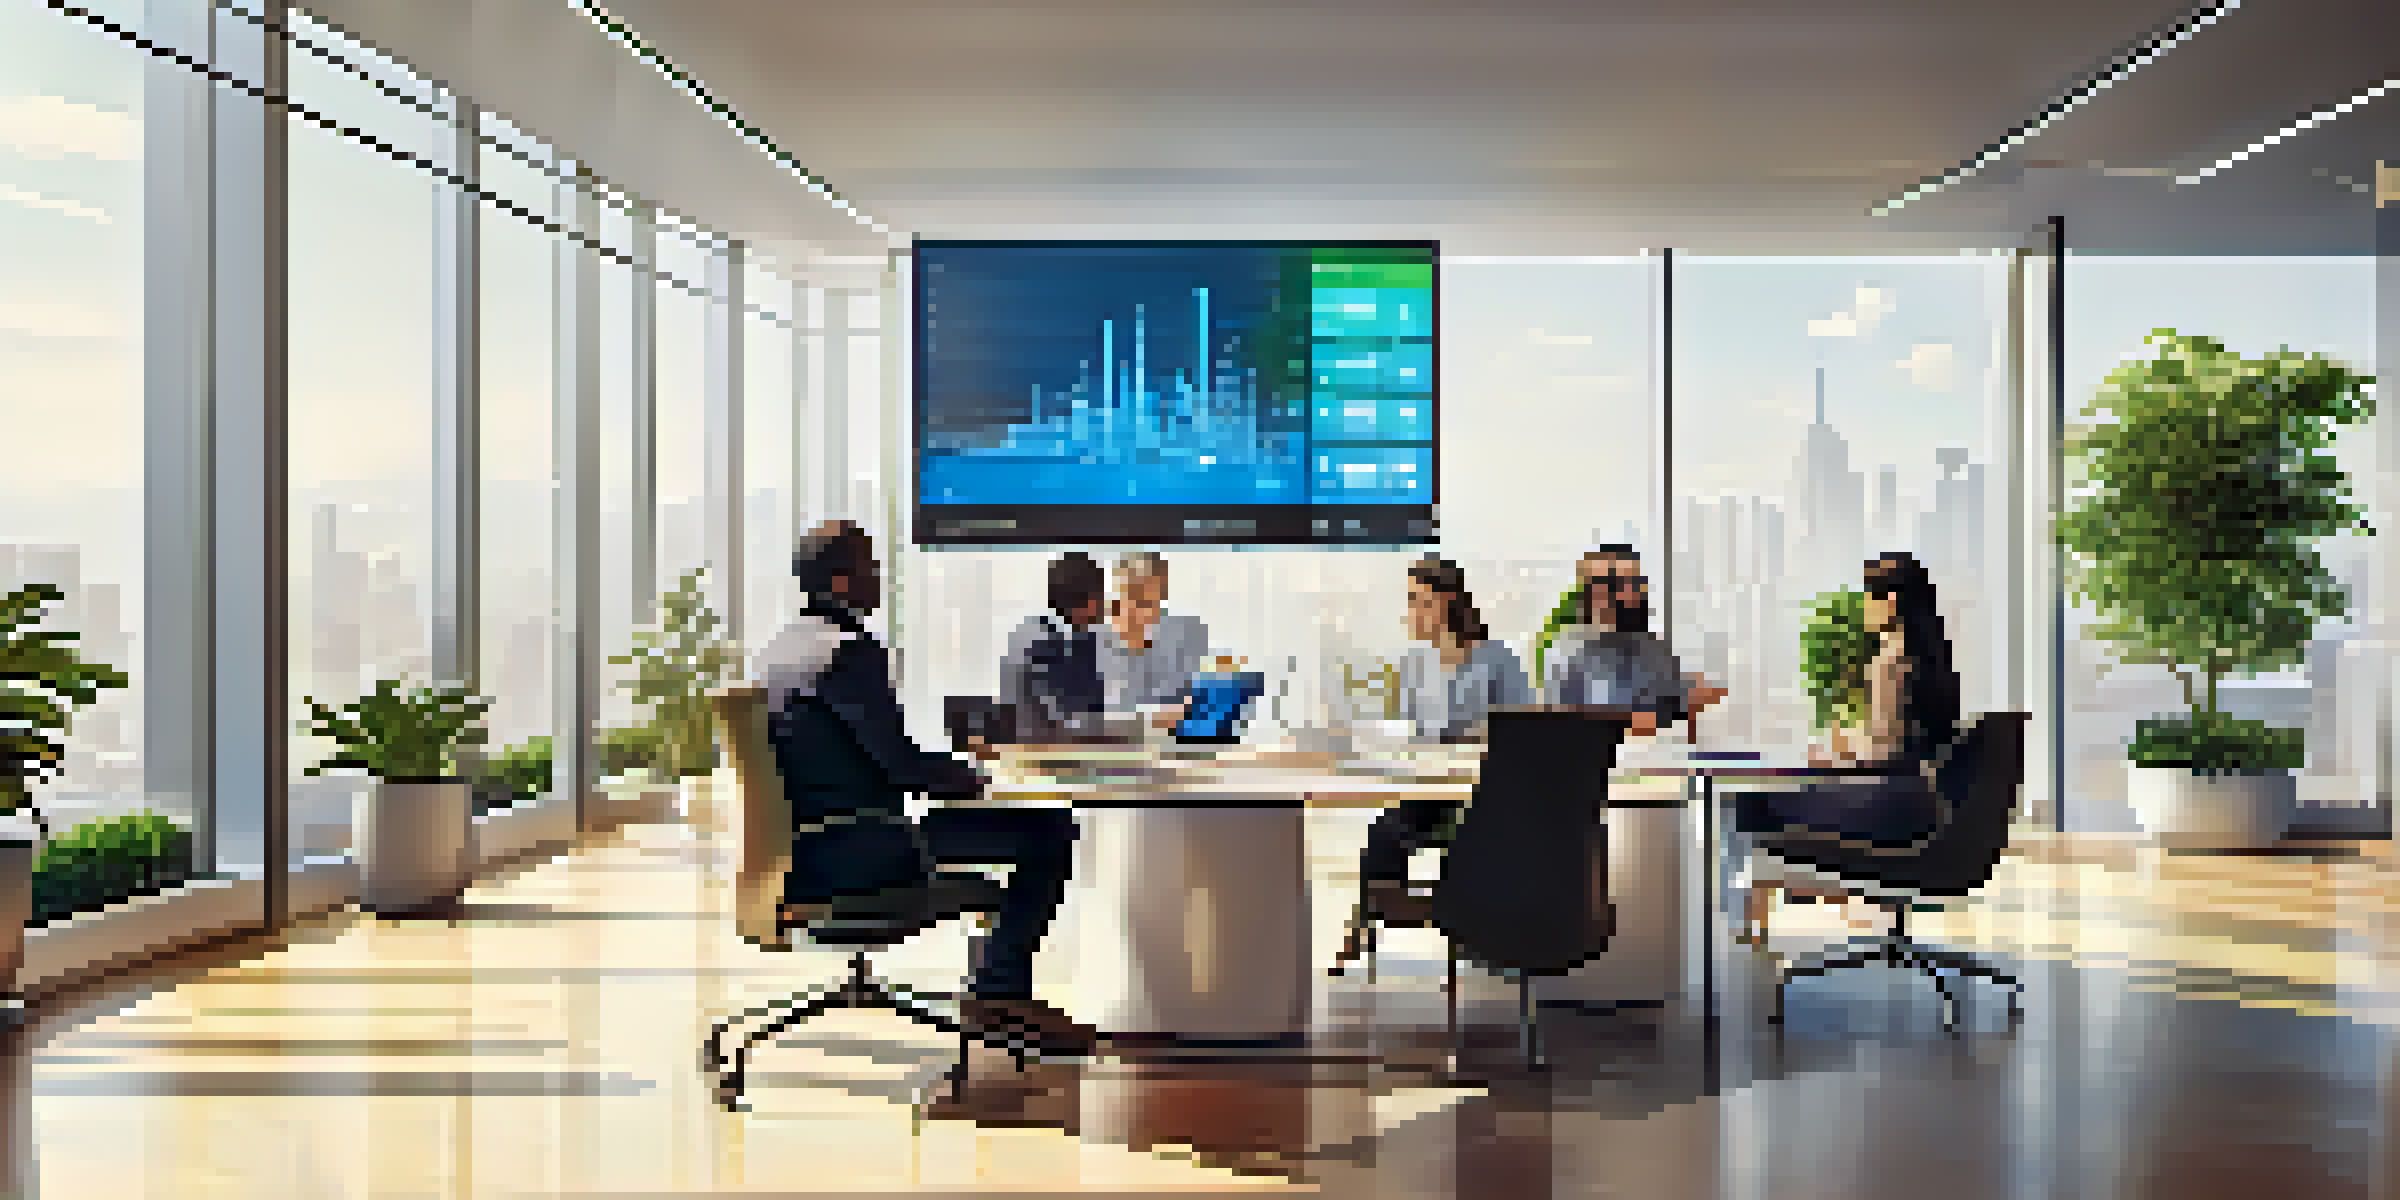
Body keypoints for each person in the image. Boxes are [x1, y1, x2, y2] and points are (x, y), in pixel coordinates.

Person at [750, 520, 1096, 1054]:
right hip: (863, 850)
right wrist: (977, 778)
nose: (879, 577)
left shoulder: (782, 648)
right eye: (870, 566)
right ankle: (999, 993)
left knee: (1011, 834)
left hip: (812, 848)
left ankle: (996, 987)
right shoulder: (848, 650)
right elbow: (901, 767)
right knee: (1047, 830)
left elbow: (873, 758)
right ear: (842, 583)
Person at [1735, 551, 1963, 944]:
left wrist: (1837, 751)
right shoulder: (1933, 658)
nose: (1863, 610)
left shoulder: (1892, 657)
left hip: (1890, 805)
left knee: (1755, 802)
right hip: (1925, 803)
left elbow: (1880, 754)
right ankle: (1792, 896)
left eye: (1866, 599)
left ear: (1889, 601)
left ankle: (1755, 925)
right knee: (1790, 801)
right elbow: (1907, 741)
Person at [1335, 557, 1534, 960]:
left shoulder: (1497, 659)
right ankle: (1371, 923)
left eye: (1416, 600)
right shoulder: (1413, 663)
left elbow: (1524, 725)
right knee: (1384, 837)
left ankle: (1466, 924)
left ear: (1444, 602)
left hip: (1485, 793)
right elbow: (1411, 729)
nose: (1410, 611)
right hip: (1429, 788)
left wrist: (1475, 734)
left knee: (1464, 848)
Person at [1542, 544, 1726, 735]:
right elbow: (1613, 723)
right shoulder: (1568, 652)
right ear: (1594, 593)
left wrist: (1684, 702)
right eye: (1618, 584)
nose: (1633, 594)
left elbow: (1699, 698)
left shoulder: (1649, 646)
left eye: (1636, 583)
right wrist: (1676, 707)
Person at [1000, 553, 1111, 743]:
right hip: (1041, 747)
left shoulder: (1093, 637)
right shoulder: (1034, 640)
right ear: (1086, 600)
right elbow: (1038, 713)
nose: (1103, 604)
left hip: (1087, 744)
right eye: (1100, 595)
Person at [1098, 551, 1211, 732]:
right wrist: (1127, 644)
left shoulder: (1187, 631)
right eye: (1129, 593)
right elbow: (1108, 709)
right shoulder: (1099, 637)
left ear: (1162, 590)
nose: (1134, 605)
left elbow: (1179, 703)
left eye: (1144, 599)